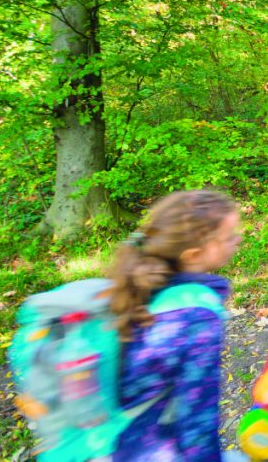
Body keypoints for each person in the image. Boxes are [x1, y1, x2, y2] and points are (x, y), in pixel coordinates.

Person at [112, 190, 243, 461]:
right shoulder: (197, 317)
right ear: (193, 255)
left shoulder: (148, 287)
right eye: (229, 236)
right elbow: (197, 420)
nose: (238, 240)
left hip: (115, 443)